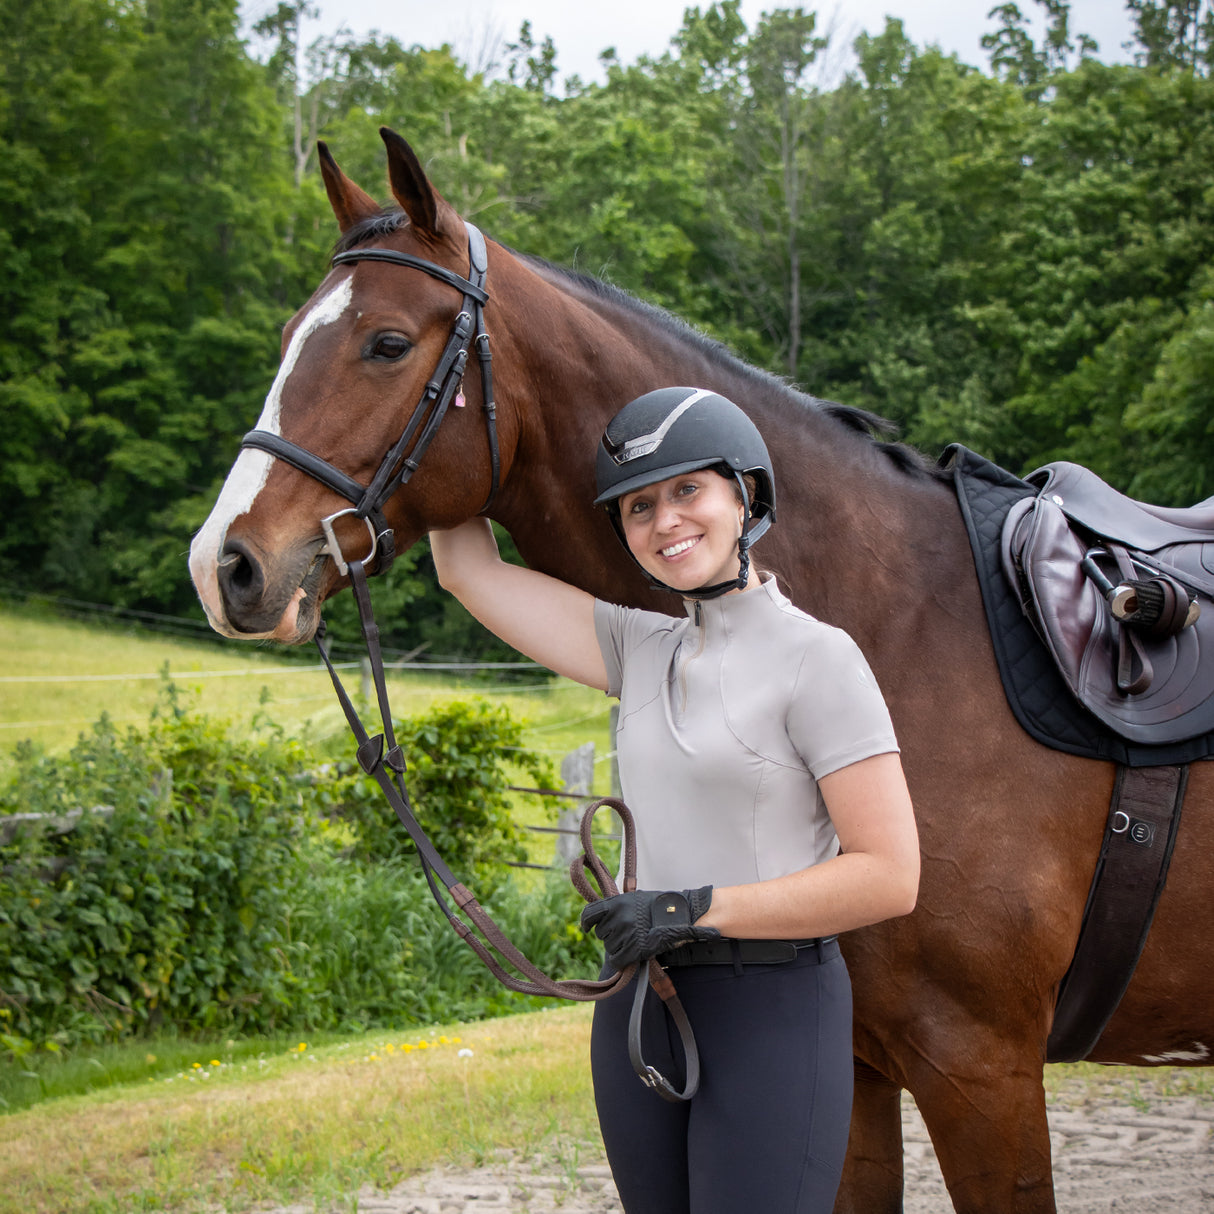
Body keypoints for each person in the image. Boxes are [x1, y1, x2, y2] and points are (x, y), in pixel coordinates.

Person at [429, 386, 919, 1214]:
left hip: (774, 1010)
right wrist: (440, 415)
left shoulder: (820, 660)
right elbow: (466, 568)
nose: (664, 522)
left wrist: (692, 907)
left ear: (745, 494)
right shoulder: (636, 647)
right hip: (639, 1007)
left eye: (687, 490)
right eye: (638, 506)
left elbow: (889, 875)